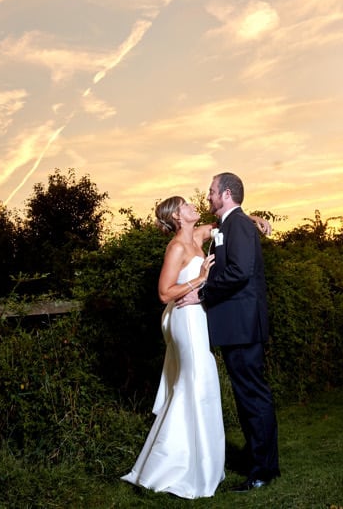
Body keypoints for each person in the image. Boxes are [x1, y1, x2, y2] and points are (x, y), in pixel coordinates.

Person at [122, 196, 225, 498]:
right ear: (178, 217)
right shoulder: (177, 247)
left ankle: (200, 462)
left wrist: (254, 219)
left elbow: (224, 222)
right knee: (196, 383)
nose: (193, 206)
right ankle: (174, 468)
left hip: (198, 317)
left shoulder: (196, 236)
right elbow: (164, 293)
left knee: (200, 385)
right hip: (185, 320)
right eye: (186, 205)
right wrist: (201, 278)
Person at [199, 172, 280, 491]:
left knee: (253, 397)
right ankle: (258, 460)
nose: (208, 196)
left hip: (243, 326)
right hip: (236, 327)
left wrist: (204, 292)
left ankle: (262, 471)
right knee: (247, 397)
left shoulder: (239, 225)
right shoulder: (231, 224)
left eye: (211, 191)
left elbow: (240, 271)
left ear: (226, 194)